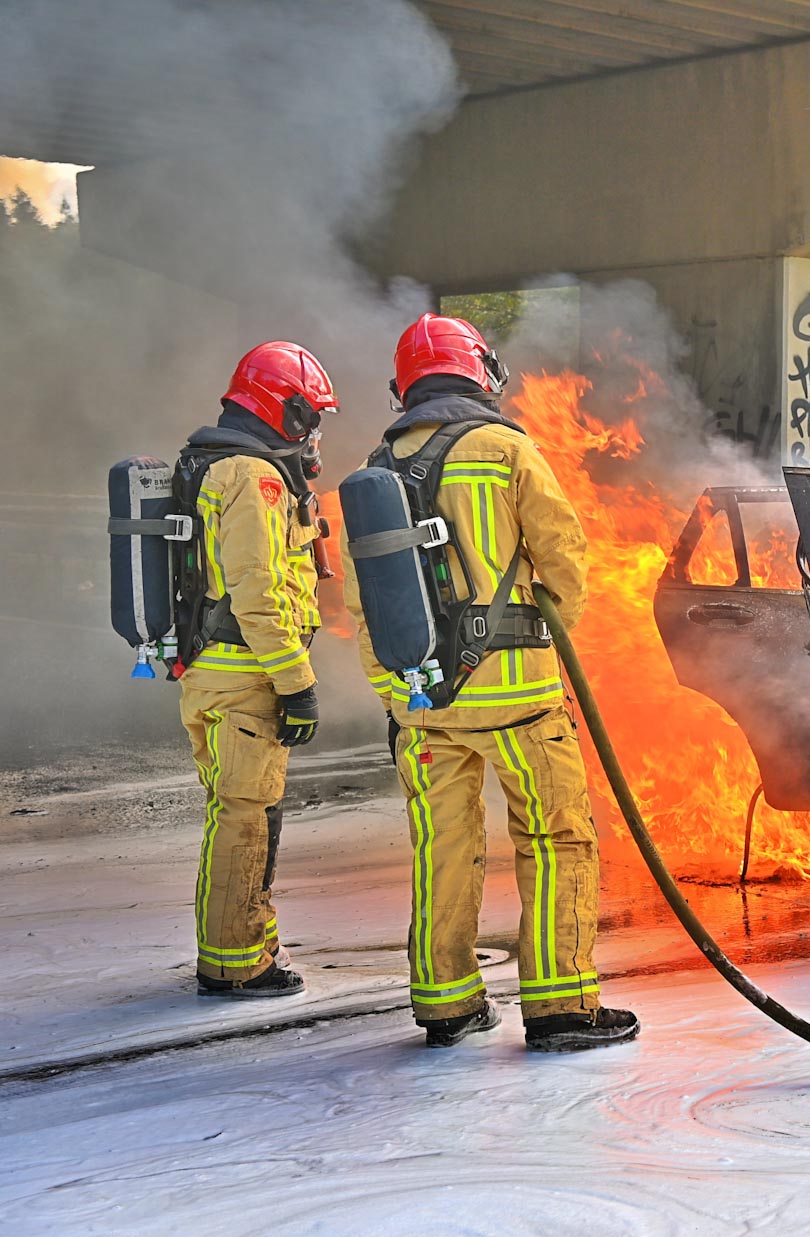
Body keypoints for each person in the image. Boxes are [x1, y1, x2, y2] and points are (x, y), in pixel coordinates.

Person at [343, 313, 638, 1052]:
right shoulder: (506, 450)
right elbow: (563, 556)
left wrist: (395, 694)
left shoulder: (376, 470)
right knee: (555, 837)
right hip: (519, 702)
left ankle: (447, 1005)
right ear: (481, 372)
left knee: (440, 847)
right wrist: (542, 635)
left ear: (404, 387)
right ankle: (562, 1008)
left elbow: (362, 603)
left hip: (423, 705)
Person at [179, 341, 336, 998]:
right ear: (286, 409)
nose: (316, 431)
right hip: (247, 674)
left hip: (215, 669)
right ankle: (235, 963)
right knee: (247, 818)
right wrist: (298, 684)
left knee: (240, 812)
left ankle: (247, 942)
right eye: (312, 415)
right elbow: (258, 592)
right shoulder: (254, 475)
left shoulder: (215, 463)